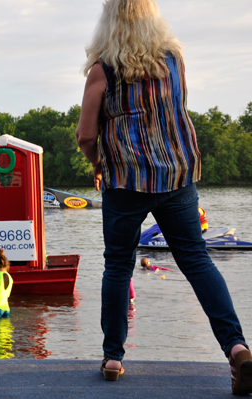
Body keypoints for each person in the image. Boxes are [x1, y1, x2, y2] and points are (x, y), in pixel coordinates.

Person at [75, 0, 252, 392]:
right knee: (197, 261)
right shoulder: (174, 60)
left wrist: (98, 163)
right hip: (177, 177)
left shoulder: (103, 71)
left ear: (110, 22)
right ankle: (236, 346)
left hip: (126, 182)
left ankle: (113, 357)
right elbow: (174, 113)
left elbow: (86, 136)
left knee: (118, 266)